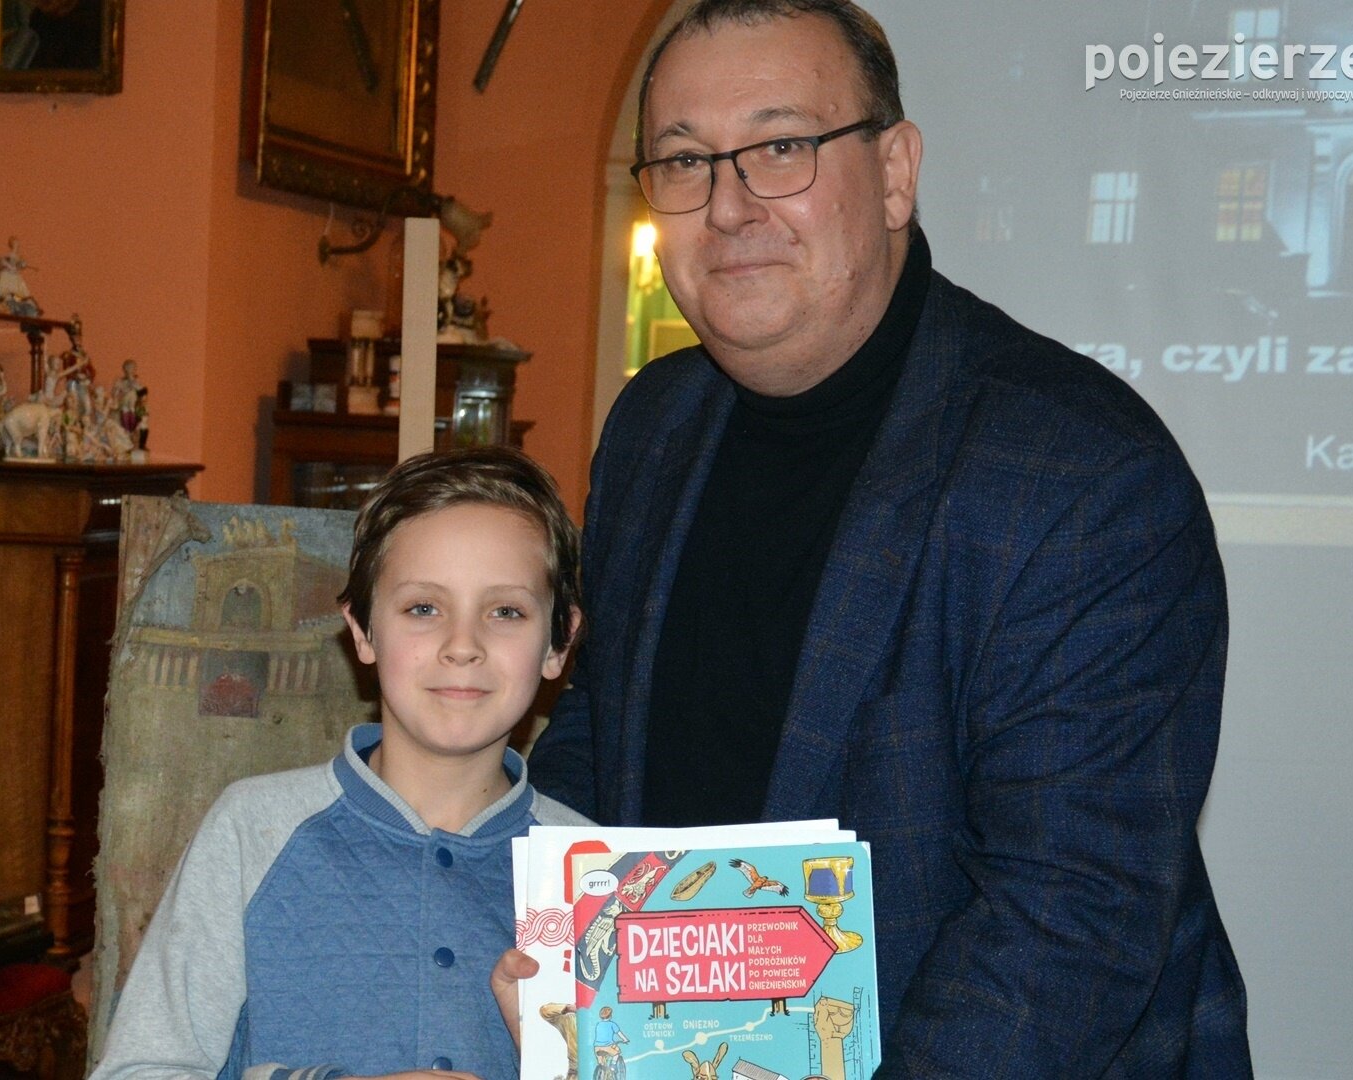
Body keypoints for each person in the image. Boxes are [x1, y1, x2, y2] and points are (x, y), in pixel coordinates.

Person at [528, 1, 1252, 1075]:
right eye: (683, 161)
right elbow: (600, 732)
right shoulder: (652, 424)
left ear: (896, 173)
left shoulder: (1082, 473)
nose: (728, 206)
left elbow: (1071, 918)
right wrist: (546, 971)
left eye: (782, 147)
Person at [91, 447, 592, 1080]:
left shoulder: (596, 875)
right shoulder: (254, 831)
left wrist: (569, 1066)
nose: (462, 645)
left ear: (559, 642)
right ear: (361, 630)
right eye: (423, 608)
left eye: (506, 612)